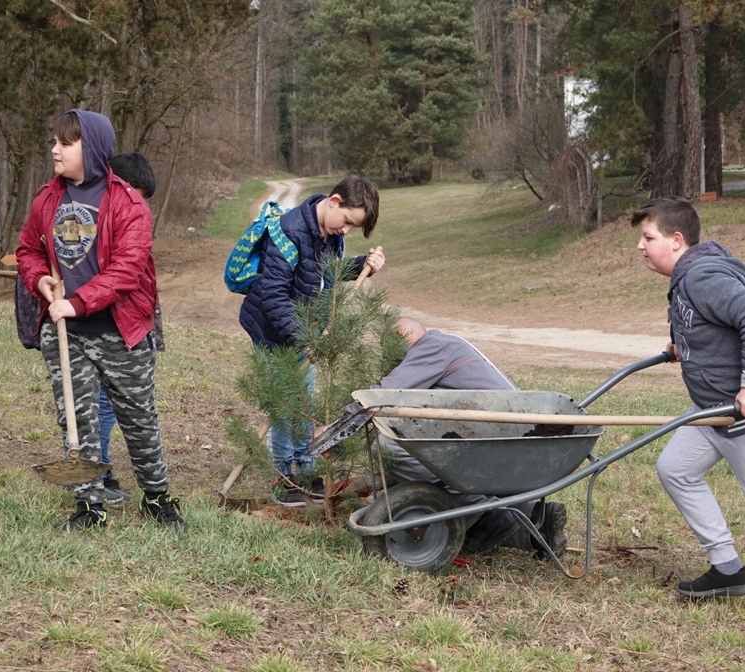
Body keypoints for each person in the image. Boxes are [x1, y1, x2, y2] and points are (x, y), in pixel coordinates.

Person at [632, 196, 745, 638]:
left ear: (676, 240)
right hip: (715, 412)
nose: (640, 246)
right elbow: (711, 323)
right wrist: (682, 346)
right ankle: (728, 569)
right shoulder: (691, 275)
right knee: (676, 469)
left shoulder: (704, 275)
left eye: (647, 237)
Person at [16, 109, 186, 533]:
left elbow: (128, 270)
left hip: (120, 333)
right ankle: (90, 507)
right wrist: (39, 280)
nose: (55, 149)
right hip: (65, 336)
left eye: (66, 143)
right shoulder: (47, 199)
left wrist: (77, 303)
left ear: (90, 148)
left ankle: (158, 498)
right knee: (78, 419)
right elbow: (28, 250)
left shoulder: (128, 202)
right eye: (54, 141)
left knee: (138, 418)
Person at [238, 175, 384, 506]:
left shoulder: (328, 234)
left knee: (303, 403)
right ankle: (283, 478)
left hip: (305, 333)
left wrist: (364, 266)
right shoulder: (289, 231)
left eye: (352, 228)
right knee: (286, 404)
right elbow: (274, 296)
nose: (345, 230)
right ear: (334, 202)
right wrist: (302, 339)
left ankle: (303, 472)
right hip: (273, 330)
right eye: (347, 221)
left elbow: (324, 276)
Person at [371, 317, 568, 558]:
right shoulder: (444, 343)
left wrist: (334, 428)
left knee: (389, 446)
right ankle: (537, 521)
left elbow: (381, 396)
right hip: (507, 436)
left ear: (402, 337)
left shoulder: (430, 349)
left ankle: (481, 510)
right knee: (422, 450)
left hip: (502, 439)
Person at [96, 152, 163, 505]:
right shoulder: (98, 221)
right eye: (134, 193)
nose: (138, 203)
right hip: (109, 329)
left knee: (115, 405)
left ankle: (103, 472)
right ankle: (99, 474)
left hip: (133, 327)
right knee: (104, 404)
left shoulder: (130, 220)